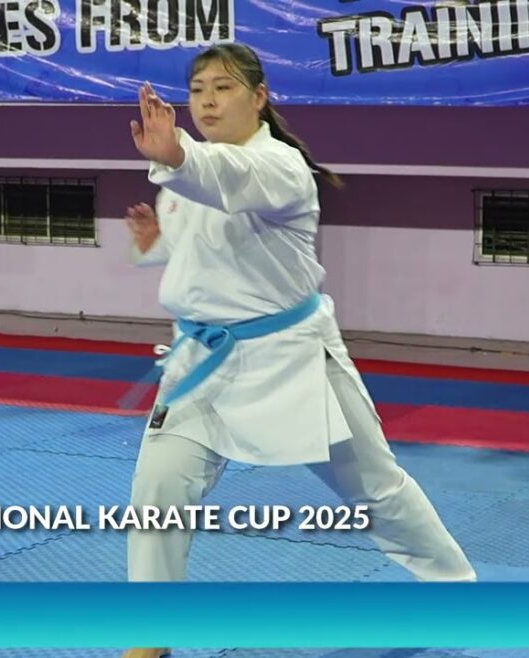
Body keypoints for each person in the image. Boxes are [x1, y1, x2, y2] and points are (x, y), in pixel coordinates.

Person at [121, 44, 475, 658]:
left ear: (260, 98)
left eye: (223, 87)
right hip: (201, 365)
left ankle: (457, 592)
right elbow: (201, 255)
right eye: (198, 89)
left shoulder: (277, 166)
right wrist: (156, 242)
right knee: (157, 491)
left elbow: (229, 178)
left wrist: (176, 155)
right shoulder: (184, 177)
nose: (206, 101)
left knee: (377, 490)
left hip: (290, 359)